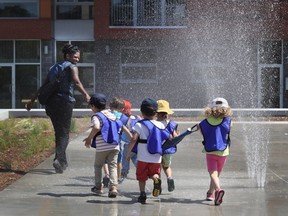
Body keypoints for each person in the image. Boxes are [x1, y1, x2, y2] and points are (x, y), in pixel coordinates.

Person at [25, 43, 90, 174]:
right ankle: (58, 159)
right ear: (67, 55)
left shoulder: (53, 67)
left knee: (59, 132)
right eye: (75, 57)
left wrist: (32, 101)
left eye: (78, 58)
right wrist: (86, 95)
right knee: (64, 132)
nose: (77, 59)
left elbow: (43, 85)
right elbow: (76, 82)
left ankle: (61, 162)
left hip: (51, 104)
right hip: (65, 103)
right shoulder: (72, 67)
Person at [126, 98, 170, 204]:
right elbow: (167, 137)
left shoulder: (139, 124)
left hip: (143, 156)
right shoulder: (160, 125)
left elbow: (133, 139)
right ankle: (156, 179)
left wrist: (128, 153)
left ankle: (142, 194)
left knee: (142, 176)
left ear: (142, 111)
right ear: (156, 113)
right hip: (156, 156)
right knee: (154, 173)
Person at [83, 93, 123, 198]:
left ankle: (98, 187)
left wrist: (89, 139)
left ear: (93, 106)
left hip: (102, 146)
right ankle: (113, 188)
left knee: (98, 165)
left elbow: (96, 127)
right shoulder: (111, 113)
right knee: (113, 166)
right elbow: (119, 124)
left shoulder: (96, 116)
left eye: (91, 106)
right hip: (115, 145)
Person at [198, 97, 232, 206]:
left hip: (210, 151)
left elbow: (203, 132)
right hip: (223, 152)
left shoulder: (203, 123)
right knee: (217, 174)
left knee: (213, 172)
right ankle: (210, 193)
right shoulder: (228, 121)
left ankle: (218, 190)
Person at [156, 99, 179, 192]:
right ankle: (169, 177)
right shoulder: (171, 124)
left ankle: (158, 184)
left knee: (158, 168)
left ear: (156, 113)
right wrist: (178, 134)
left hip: (157, 149)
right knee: (166, 167)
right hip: (168, 150)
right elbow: (175, 137)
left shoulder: (155, 124)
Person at [119, 99, 140, 183]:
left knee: (125, 158)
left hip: (128, 143)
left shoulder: (124, 119)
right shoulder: (136, 118)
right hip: (137, 144)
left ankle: (123, 174)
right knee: (135, 157)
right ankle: (142, 169)